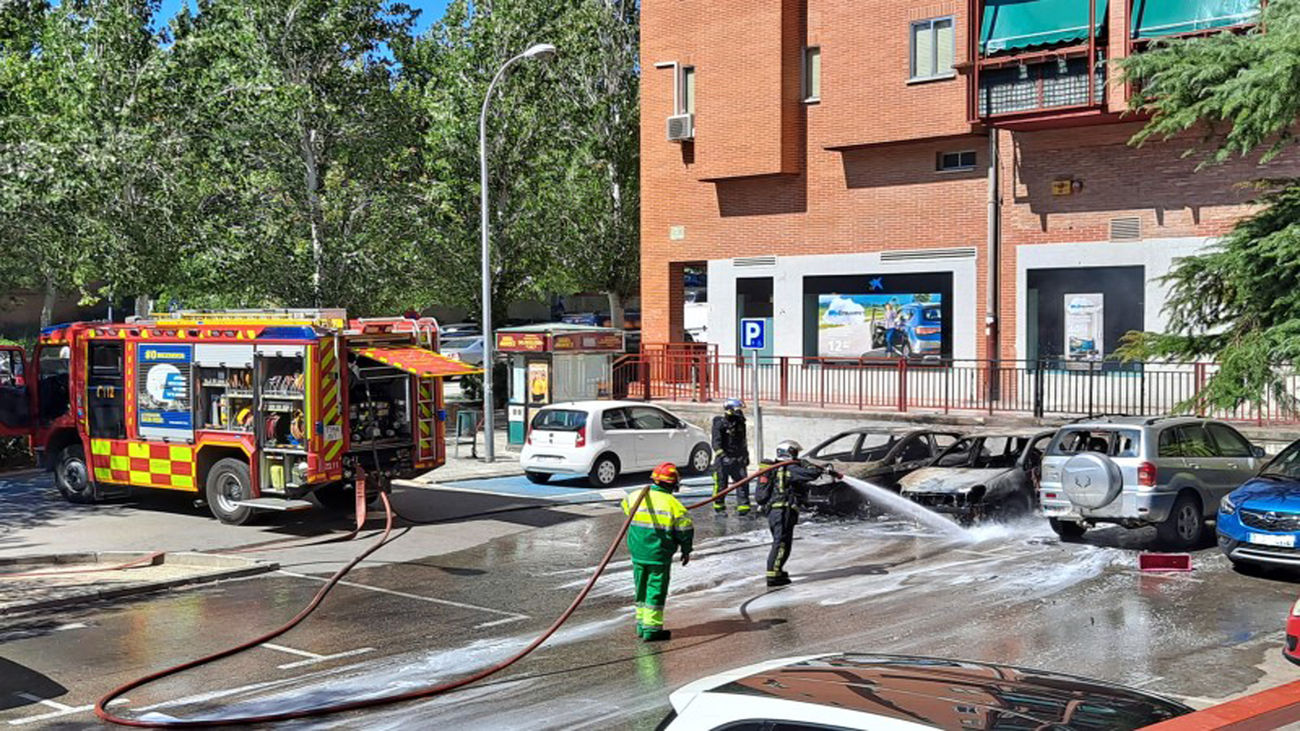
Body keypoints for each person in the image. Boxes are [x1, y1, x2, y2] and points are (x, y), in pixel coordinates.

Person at [621, 462, 694, 642]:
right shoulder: (674, 505)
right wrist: (686, 551)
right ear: (672, 484)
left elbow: (625, 508)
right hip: (658, 555)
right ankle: (652, 629)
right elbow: (685, 532)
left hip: (637, 552)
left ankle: (641, 624)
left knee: (641, 588)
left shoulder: (635, 497)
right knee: (655, 590)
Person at [755, 440, 836, 587]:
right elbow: (810, 474)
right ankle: (773, 575)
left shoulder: (775, 468)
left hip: (774, 512)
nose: (797, 455)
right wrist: (813, 466)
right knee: (781, 544)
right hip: (783, 511)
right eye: (795, 453)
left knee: (781, 543)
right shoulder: (790, 468)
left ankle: (777, 571)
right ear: (789, 453)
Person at [711, 398, 751, 514]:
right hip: (723, 460)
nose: (740, 412)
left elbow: (743, 440)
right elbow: (716, 443)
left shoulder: (740, 422)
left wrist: (746, 455)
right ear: (730, 410)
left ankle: (744, 508)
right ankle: (719, 507)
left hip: (738, 458)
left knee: (742, 483)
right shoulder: (720, 423)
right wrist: (723, 457)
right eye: (737, 410)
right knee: (721, 484)